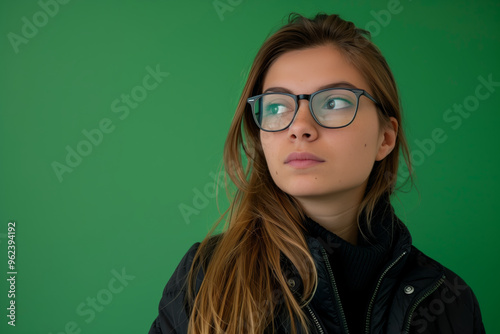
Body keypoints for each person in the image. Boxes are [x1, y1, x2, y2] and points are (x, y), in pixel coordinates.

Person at [148, 13, 485, 334]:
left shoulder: (450, 300)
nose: (300, 127)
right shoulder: (205, 277)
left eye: (334, 102)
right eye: (278, 106)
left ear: (385, 138)